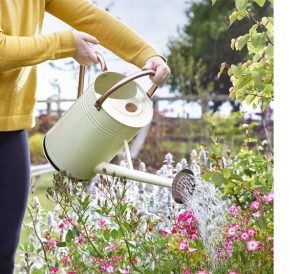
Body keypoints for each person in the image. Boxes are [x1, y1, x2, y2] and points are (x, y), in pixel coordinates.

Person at [0, 0, 170, 272]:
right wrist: (64, 43)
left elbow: (88, 15)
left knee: (4, 249)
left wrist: (145, 54)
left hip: (9, 131)